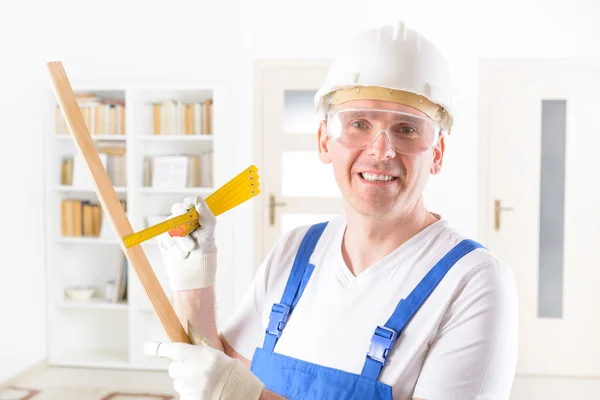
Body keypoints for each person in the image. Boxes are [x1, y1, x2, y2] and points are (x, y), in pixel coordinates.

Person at [145, 20, 519, 400]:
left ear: (436, 154)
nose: (381, 150)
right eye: (358, 123)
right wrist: (192, 280)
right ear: (325, 140)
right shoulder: (294, 251)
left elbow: (234, 391)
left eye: (407, 129)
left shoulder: (473, 283)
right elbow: (218, 374)